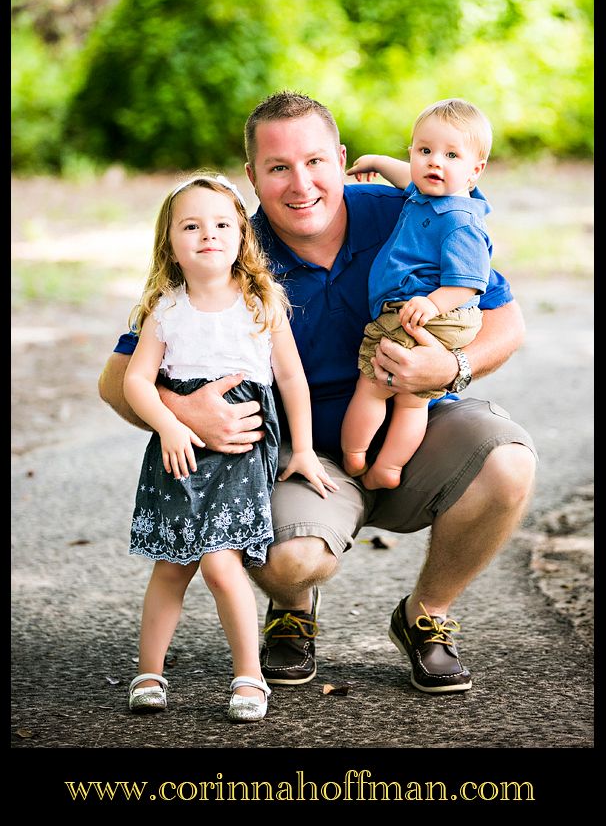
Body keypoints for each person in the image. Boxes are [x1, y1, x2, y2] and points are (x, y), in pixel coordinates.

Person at [99, 92, 537, 696]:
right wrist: (182, 411)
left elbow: (506, 322)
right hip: (294, 463)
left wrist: (450, 365)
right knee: (290, 560)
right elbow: (114, 379)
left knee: (508, 461)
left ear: (341, 158)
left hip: (412, 434)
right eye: (278, 168)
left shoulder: (412, 210)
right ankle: (293, 609)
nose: (300, 184)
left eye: (314, 162)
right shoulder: (228, 247)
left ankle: (425, 615)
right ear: (252, 177)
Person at [122, 172, 337, 722]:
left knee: (220, 565)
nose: (208, 235)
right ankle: (149, 671)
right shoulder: (165, 308)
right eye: (191, 226)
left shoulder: (261, 302)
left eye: (221, 224)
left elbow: (291, 381)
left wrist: (304, 450)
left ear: (242, 235)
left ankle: (249, 676)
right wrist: (169, 424)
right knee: (171, 566)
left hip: (241, 449)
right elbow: (136, 383)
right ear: (169, 242)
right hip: (180, 449)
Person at [341, 98, 493, 492]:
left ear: (475, 170)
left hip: (428, 311)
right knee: (413, 399)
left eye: (451, 155)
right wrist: (376, 160)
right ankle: (389, 467)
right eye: (424, 151)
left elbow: (469, 281)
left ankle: (354, 456)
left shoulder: (459, 220)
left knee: (375, 385)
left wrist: (431, 302)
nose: (434, 163)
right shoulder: (428, 195)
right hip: (426, 311)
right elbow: (407, 176)